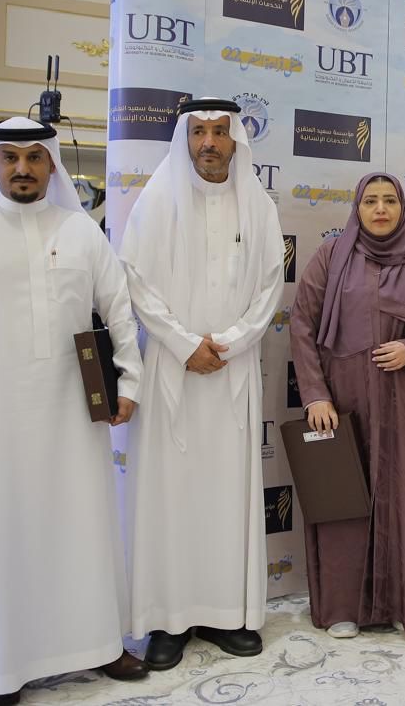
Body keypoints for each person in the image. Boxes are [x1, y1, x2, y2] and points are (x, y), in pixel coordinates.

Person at [0, 118, 147, 705]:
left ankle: (98, 644)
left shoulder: (81, 231)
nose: (23, 168)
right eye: (11, 158)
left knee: (82, 528)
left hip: (72, 416)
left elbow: (118, 312)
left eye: (35, 157)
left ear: (51, 166)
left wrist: (130, 382)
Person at [121, 98, 284, 669]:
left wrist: (230, 342)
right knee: (170, 495)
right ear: (184, 139)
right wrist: (183, 343)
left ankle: (224, 615)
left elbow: (270, 287)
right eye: (198, 133)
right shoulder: (157, 200)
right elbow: (135, 281)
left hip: (232, 374)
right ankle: (169, 621)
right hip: (172, 370)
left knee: (226, 495)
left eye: (219, 131)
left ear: (235, 139)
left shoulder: (257, 205)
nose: (208, 142)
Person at [290, 172, 405, 640]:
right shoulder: (330, 256)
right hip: (343, 402)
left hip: (403, 401)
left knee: (403, 497)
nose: (380, 209)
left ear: (402, 208)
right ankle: (344, 607)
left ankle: (403, 603)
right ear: (357, 209)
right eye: (370, 201)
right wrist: (316, 394)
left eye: (389, 201)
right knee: (343, 499)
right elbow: (302, 325)